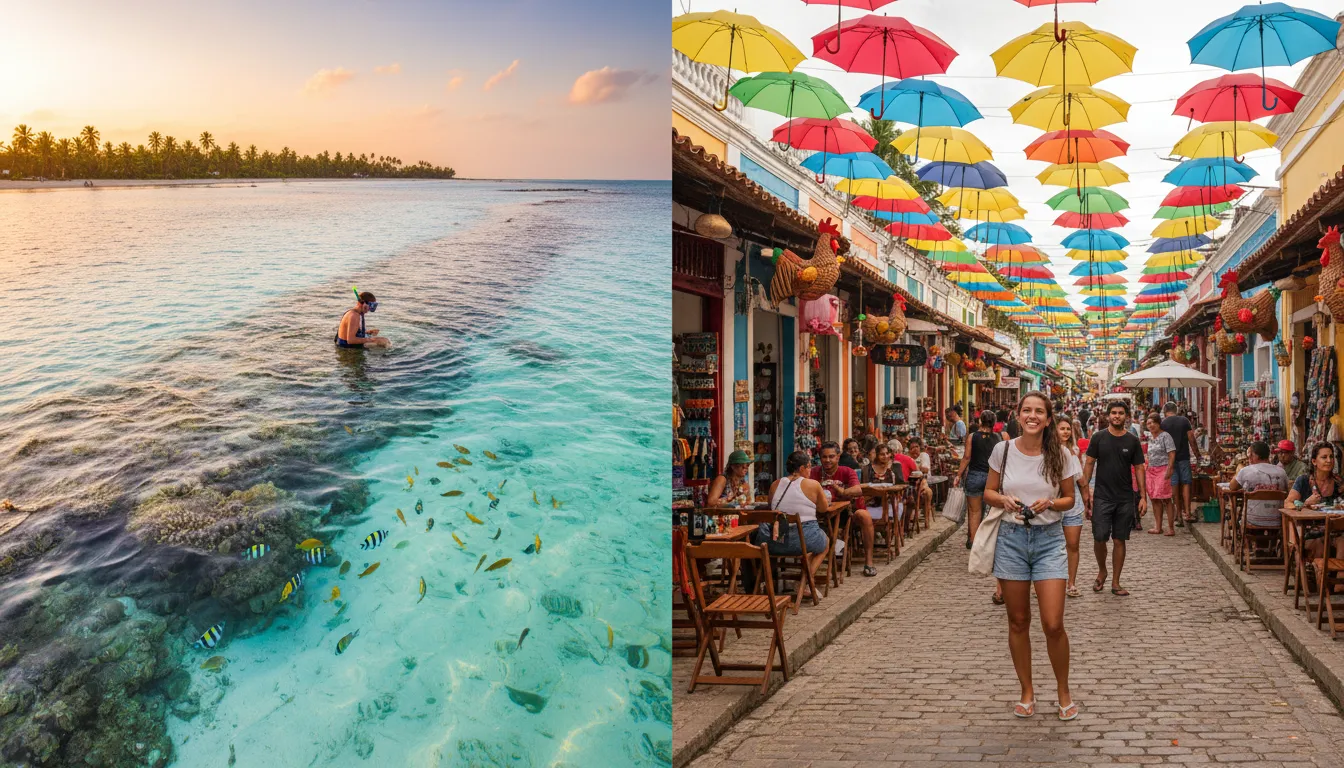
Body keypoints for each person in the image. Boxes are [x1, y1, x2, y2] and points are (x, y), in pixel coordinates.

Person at [983, 391, 1079, 721]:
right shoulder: (1003, 450)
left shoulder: (1062, 455)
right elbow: (988, 491)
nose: (1032, 415)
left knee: (1053, 623)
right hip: (1011, 539)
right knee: (1019, 620)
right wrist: (1003, 500)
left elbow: (1070, 498)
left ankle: (1063, 690)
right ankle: (1027, 690)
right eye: (1027, 410)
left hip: (1049, 540)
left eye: (1039, 411)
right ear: (1018, 415)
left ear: (1048, 419)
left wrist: (1051, 503)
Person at [1082, 400, 1146, 597]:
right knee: (1099, 537)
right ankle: (1102, 570)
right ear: (1108, 415)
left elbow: (1139, 468)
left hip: (1125, 497)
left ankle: (1116, 582)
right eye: (1113, 413)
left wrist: (1143, 496)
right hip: (1102, 496)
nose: (1117, 416)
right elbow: (1090, 463)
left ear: (1126, 416)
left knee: (1120, 539)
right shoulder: (1098, 438)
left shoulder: (1132, 441)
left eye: (1120, 413)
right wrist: (1085, 492)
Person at [760, 451, 831, 597]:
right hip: (803, 541)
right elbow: (823, 509)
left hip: (776, 542)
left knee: (812, 537)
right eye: (809, 468)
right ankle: (805, 582)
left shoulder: (775, 484)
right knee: (826, 542)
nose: (810, 471)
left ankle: (778, 583)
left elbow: (771, 506)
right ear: (803, 468)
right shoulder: (813, 484)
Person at [958, 410, 1004, 602]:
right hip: (994, 479)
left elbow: (967, 457)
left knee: (975, 513)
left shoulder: (972, 436)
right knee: (994, 516)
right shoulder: (1001, 437)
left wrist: (958, 474)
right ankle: (990, 548)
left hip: (976, 476)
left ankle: (977, 549)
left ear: (979, 421)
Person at [1286, 443, 1344, 562]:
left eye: (1331, 457)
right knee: (1320, 546)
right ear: (1314, 461)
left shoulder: (1339, 482)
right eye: (1324, 457)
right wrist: (1305, 503)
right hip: (1309, 531)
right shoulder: (1304, 481)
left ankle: (1338, 579)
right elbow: (1288, 503)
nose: (1329, 460)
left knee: (1342, 543)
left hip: (1334, 530)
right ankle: (1319, 578)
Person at [1056, 418, 1091, 599]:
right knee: (1052, 547)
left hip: (1072, 505)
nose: (1066, 432)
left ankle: (1071, 582)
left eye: (1068, 429)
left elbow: (1081, 480)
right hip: (1052, 504)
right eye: (1061, 429)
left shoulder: (1073, 452)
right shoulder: (1044, 452)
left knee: (1072, 545)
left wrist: (1087, 500)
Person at [857, 443, 904, 576]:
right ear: (877, 455)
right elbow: (864, 487)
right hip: (871, 503)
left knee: (893, 510)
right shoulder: (867, 469)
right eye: (881, 454)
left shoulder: (894, 468)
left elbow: (900, 485)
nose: (884, 456)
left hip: (889, 503)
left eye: (886, 454)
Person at [1229, 441, 1289, 536]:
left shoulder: (1246, 471)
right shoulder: (1281, 472)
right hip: (1277, 520)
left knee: (1235, 510)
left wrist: (1239, 470)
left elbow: (1232, 487)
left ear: (1253, 455)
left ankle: (1245, 543)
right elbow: (1287, 492)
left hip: (1252, 520)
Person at [1159, 401, 1201, 527]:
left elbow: (1161, 443)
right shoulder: (1184, 421)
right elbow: (1191, 439)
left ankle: (1178, 515)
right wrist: (1197, 455)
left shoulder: (1163, 423)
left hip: (1169, 460)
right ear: (1176, 410)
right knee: (1186, 483)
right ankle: (1187, 513)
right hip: (1183, 457)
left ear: (1165, 411)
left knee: (1174, 486)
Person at [1143, 414, 1177, 536]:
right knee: (1154, 498)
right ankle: (1158, 527)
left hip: (1163, 469)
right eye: (1148, 423)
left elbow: (1172, 453)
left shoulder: (1165, 436)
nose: (1151, 425)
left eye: (1153, 422)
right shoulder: (1150, 438)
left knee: (1167, 498)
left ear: (1158, 423)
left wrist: (1170, 467)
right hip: (1151, 470)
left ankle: (1171, 527)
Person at [905, 436, 935, 527]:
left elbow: (925, 469)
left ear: (920, 447)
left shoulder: (924, 456)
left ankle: (926, 520)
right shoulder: (907, 457)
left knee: (927, 492)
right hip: (909, 483)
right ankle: (906, 523)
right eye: (912, 448)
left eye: (916, 447)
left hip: (923, 483)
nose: (914, 450)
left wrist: (913, 466)